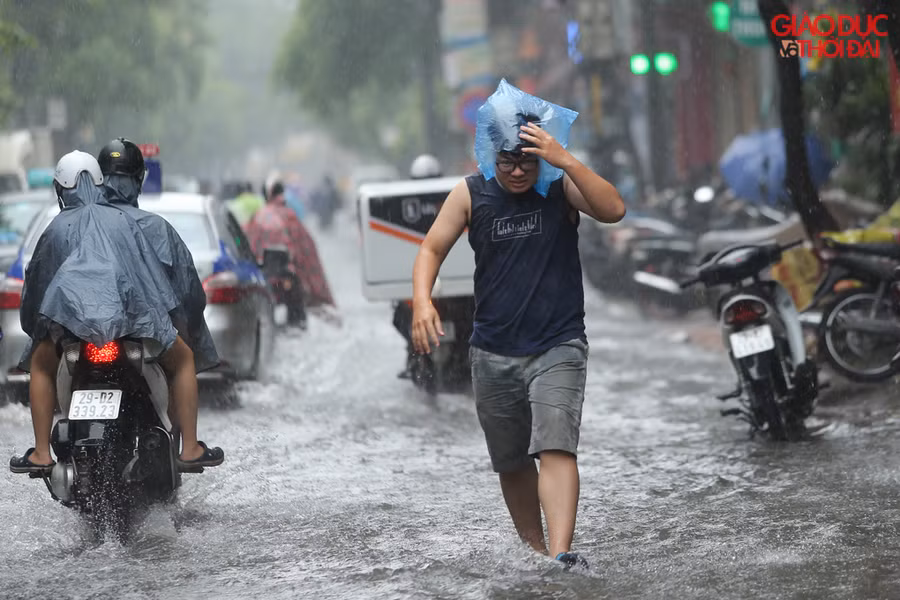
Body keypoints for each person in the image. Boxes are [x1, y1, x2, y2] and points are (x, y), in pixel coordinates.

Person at [410, 117, 625, 569]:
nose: (517, 171)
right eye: (507, 160)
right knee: (511, 461)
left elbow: (613, 209)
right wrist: (421, 302)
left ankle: (561, 553)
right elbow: (430, 249)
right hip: (492, 350)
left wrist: (563, 159)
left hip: (558, 343)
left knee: (555, 445)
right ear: (490, 156)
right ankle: (535, 554)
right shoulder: (470, 193)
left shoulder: (559, 186)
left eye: (527, 160)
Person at [9, 150, 224, 474]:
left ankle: (41, 453)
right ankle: (190, 448)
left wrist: (38, 330)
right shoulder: (125, 221)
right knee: (183, 360)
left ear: (60, 189)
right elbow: (153, 280)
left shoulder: (55, 229)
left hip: (72, 333)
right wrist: (164, 321)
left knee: (40, 363)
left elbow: (35, 293)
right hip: (134, 325)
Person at [244, 179, 341, 325]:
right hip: (289, 275)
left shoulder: (258, 217)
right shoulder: (290, 216)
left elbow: (248, 244)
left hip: (264, 276)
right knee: (297, 314)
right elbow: (306, 250)